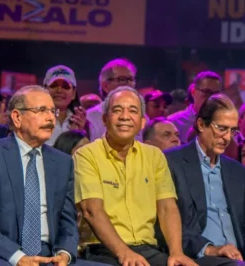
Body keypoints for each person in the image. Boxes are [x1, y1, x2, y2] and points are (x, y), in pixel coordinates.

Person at [0, 85, 102, 266]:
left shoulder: (62, 162)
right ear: (17, 117)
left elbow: (68, 222)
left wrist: (64, 253)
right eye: (41, 110)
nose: (50, 117)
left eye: (52, 111)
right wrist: (18, 257)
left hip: (48, 255)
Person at [73, 87, 196, 266]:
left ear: (142, 122)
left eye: (132, 111)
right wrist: (124, 253)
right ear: (105, 119)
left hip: (148, 250)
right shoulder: (86, 155)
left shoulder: (154, 156)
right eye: (117, 110)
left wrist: (176, 252)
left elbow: (167, 208)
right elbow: (92, 211)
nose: (125, 116)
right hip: (102, 250)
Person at [165, 93, 245, 265]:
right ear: (201, 125)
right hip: (199, 257)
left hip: (238, 259)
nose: (227, 138)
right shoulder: (173, 162)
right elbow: (169, 220)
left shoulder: (238, 172)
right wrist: (211, 249)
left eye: (232, 130)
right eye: (221, 128)